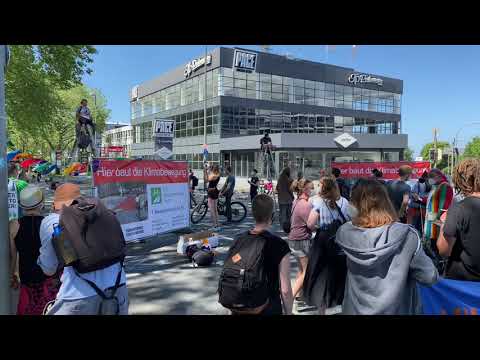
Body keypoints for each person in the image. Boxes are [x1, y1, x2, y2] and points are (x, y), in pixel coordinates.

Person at [335, 179, 439, 315]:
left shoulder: (345, 232)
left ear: (356, 205)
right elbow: (429, 276)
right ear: (386, 202)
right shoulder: (407, 235)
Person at [37, 183, 128, 315]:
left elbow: (49, 268)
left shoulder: (52, 221)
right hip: (118, 289)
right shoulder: (101, 213)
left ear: (55, 205)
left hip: (78, 296)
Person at [222, 194, 293, 315]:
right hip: (267, 307)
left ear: (253, 214)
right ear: (272, 215)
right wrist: (289, 312)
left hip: (240, 307)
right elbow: (285, 290)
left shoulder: (238, 240)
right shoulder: (280, 245)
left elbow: (231, 271)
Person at [9, 185, 60, 315]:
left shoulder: (14, 225)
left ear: (21, 206)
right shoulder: (48, 224)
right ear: (41, 204)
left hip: (26, 282)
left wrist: (12, 275)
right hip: (47, 282)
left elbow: (12, 257)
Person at [306, 175, 350, 314]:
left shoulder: (319, 203)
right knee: (340, 277)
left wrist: (321, 229)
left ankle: (322, 308)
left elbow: (310, 224)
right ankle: (340, 306)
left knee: (321, 277)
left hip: (323, 242)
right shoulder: (345, 202)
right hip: (341, 242)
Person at [437, 159, 480, 281]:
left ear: (461, 180)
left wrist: (444, 223)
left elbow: (443, 250)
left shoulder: (458, 209)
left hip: (463, 285)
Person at [414, 168, 454, 258]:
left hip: (437, 223)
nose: (429, 179)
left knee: (436, 248)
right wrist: (419, 199)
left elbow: (444, 206)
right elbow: (430, 201)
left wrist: (436, 220)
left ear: (439, 176)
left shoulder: (445, 186)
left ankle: (439, 266)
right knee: (432, 247)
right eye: (429, 177)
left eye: (431, 177)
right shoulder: (436, 187)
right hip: (432, 221)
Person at [288, 179, 314, 308]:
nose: (312, 190)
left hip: (294, 239)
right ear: (304, 189)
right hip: (301, 240)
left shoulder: (296, 201)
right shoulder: (305, 204)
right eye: (310, 188)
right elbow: (311, 225)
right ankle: (290, 298)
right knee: (306, 271)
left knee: (302, 269)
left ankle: (299, 295)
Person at [205, 164, 221, 230]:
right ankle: (217, 224)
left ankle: (215, 226)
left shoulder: (213, 175)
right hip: (215, 191)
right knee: (215, 210)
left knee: (212, 210)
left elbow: (206, 180)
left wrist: (205, 171)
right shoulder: (218, 175)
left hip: (211, 191)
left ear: (213, 169)